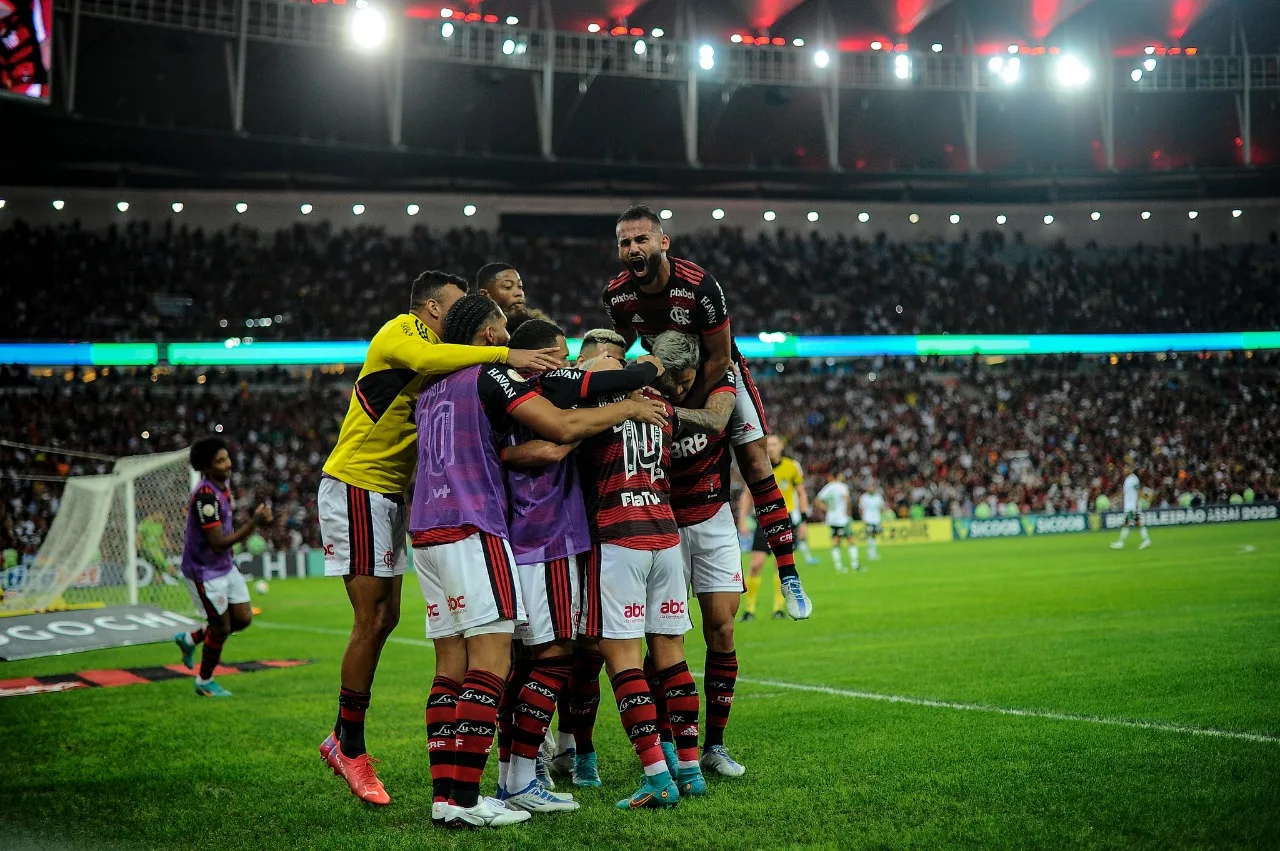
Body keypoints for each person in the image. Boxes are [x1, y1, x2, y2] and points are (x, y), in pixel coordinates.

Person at [412, 295, 669, 827]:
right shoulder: (496, 376)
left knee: (456, 667)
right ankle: (486, 791)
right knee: (517, 658)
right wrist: (629, 400)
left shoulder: (432, 386)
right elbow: (558, 430)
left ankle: (457, 792)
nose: (513, 342)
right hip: (505, 528)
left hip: (429, 527)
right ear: (488, 336)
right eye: (505, 331)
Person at [317, 271, 563, 807]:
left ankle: (346, 739)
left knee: (387, 619)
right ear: (430, 307)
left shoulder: (453, 361)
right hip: (358, 480)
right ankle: (348, 744)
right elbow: (430, 362)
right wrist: (506, 357)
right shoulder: (401, 333)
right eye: (451, 310)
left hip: (393, 496)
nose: (456, 320)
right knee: (372, 619)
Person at [489, 318, 668, 811]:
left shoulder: (508, 395)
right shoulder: (543, 385)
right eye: (562, 356)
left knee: (524, 663)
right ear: (543, 358)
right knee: (555, 657)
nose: (568, 364)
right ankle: (523, 779)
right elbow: (573, 413)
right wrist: (642, 375)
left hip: (526, 540)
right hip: (545, 538)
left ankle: (512, 777)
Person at [604, 205, 810, 619]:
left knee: (756, 463)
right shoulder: (617, 294)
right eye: (625, 242)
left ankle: (788, 573)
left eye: (641, 239)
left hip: (718, 375)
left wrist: (686, 408)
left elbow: (717, 358)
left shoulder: (700, 286)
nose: (632, 248)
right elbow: (618, 343)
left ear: (663, 242)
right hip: (665, 376)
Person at [570, 332, 711, 810]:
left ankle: (656, 776)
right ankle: (689, 769)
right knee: (672, 657)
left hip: (619, 535)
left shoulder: (599, 388)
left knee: (624, 658)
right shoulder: (661, 405)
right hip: (665, 536)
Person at [652, 331, 751, 777]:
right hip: (662, 522)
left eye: (681, 377)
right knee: (663, 641)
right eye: (667, 379)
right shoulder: (645, 386)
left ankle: (715, 745)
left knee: (723, 630)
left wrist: (664, 411)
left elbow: (714, 422)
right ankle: (671, 746)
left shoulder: (719, 382)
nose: (674, 386)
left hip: (713, 520)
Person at [172, 438, 273, 698]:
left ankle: (191, 639)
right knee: (221, 628)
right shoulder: (205, 495)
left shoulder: (222, 487)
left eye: (227, 458)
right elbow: (216, 542)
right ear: (206, 466)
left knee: (242, 618)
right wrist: (254, 523)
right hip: (204, 572)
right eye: (220, 461)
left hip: (225, 566)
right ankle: (204, 681)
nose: (228, 464)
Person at [736, 435, 810, 621]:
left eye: (774, 444)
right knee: (755, 564)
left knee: (781, 567)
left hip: (786, 521)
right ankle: (749, 610)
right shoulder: (758, 465)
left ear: (781, 447)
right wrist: (742, 519)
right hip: (763, 520)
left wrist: (803, 520)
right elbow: (746, 494)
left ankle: (778, 608)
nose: (770, 448)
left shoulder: (791, 466)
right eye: (768, 445)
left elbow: (801, 493)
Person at [816, 473, 856, 573]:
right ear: (838, 476)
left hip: (832, 518)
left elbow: (817, 501)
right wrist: (849, 514)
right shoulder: (842, 487)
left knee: (836, 540)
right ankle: (854, 565)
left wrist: (827, 509)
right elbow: (847, 500)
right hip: (842, 518)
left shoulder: (828, 487)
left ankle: (838, 566)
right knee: (850, 539)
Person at [1111, 465, 1152, 550]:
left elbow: (1138, 492)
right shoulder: (1127, 479)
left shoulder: (1134, 479)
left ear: (1130, 469)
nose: (1124, 470)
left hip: (1132, 506)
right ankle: (1147, 540)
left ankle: (1121, 543)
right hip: (1129, 505)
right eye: (1124, 468)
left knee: (1126, 523)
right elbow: (1126, 493)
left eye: (1126, 468)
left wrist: (1136, 504)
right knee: (1138, 524)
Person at [858, 483, 886, 563]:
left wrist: (881, 517)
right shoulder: (864, 497)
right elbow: (861, 508)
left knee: (874, 536)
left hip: (876, 519)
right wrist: (862, 518)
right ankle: (870, 553)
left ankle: (873, 553)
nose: (871, 489)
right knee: (870, 535)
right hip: (868, 519)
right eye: (869, 487)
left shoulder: (878, 497)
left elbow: (881, 507)